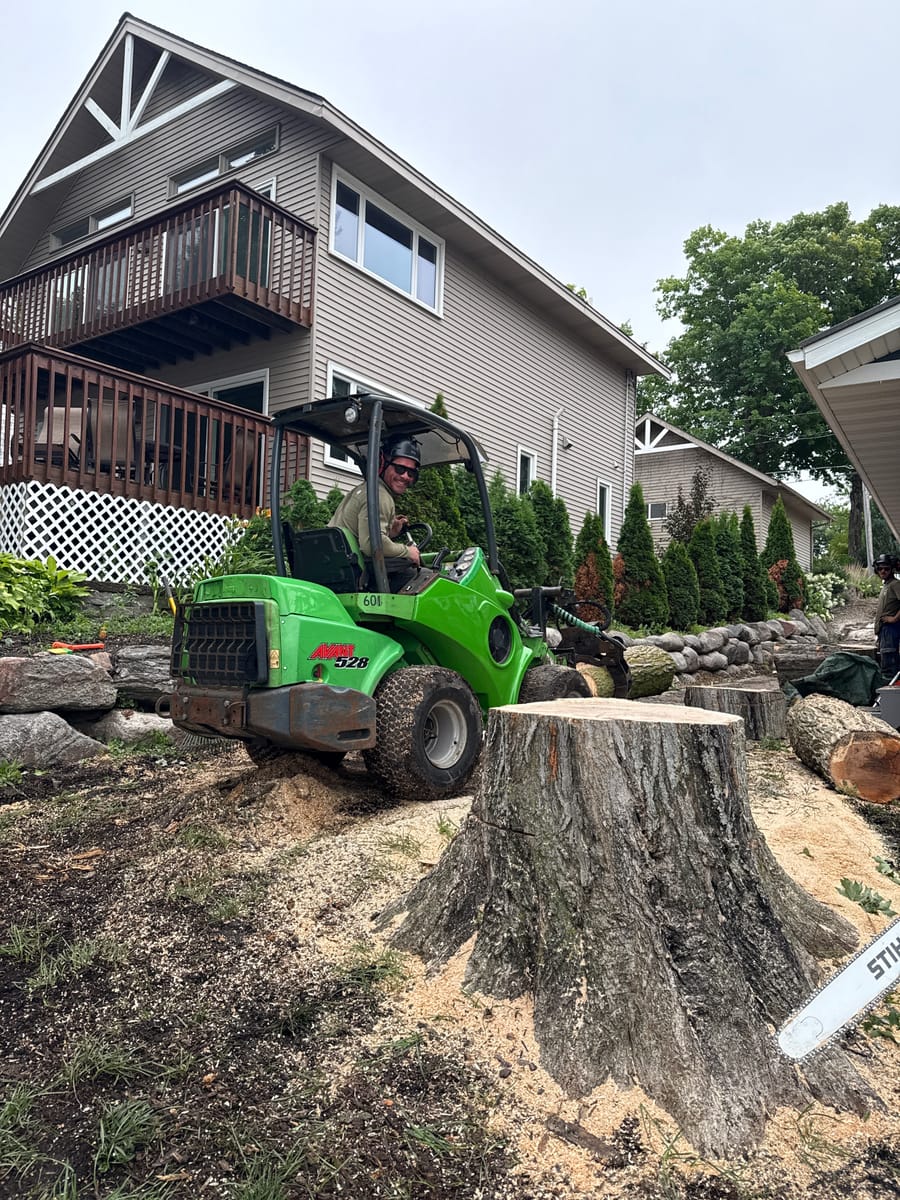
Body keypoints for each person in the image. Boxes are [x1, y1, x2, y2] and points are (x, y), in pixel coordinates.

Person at [329, 434, 422, 591]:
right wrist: (408, 551)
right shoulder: (380, 497)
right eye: (400, 469)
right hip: (356, 579)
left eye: (411, 473)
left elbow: (361, 535)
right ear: (382, 464)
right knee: (423, 577)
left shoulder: (363, 490)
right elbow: (372, 545)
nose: (405, 476)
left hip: (338, 572)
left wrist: (391, 531)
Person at [873, 553, 900, 678]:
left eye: (886, 568)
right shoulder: (886, 585)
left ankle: (890, 694)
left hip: (891, 629)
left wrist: (894, 618)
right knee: (885, 660)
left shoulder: (895, 584)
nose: (883, 571)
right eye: (880, 568)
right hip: (884, 631)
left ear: (892, 569)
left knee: (889, 667)